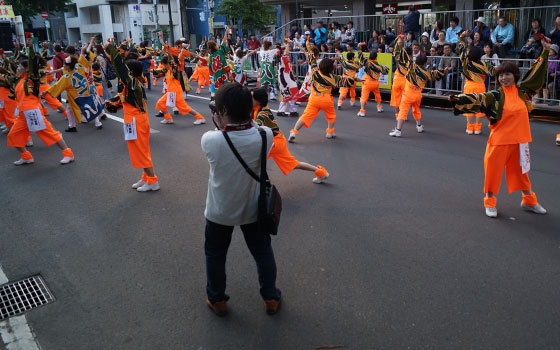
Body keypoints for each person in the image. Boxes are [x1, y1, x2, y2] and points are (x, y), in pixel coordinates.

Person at [201, 82, 282, 317]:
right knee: (262, 253)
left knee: (215, 255)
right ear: (250, 108)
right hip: (254, 208)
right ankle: (270, 298)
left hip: (220, 211)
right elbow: (254, 128)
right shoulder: (264, 135)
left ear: (222, 111)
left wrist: (220, 118)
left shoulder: (211, 140)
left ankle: (217, 300)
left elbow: (223, 132)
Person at [450, 38, 551, 218]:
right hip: (499, 141)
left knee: (522, 173)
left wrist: (544, 52)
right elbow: (477, 99)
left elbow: (536, 75)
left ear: (515, 76)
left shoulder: (524, 92)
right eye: (500, 75)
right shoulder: (494, 95)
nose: (504, 78)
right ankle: (490, 202)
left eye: (507, 74)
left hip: (520, 140)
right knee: (493, 172)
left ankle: (529, 201)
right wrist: (458, 100)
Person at [9, 47, 74, 165]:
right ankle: (26, 156)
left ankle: (68, 154)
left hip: (32, 111)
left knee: (50, 134)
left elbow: (33, 65)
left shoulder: (31, 78)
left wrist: (29, 46)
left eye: (20, 67)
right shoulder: (19, 80)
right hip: (22, 114)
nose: (17, 69)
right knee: (13, 135)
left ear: (27, 68)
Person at [252, 87, 329, 183]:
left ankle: (262, 184)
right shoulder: (260, 109)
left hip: (273, 143)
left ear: (258, 100)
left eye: (251, 98)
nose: (249, 100)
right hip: (277, 141)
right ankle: (320, 172)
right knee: (294, 164)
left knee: (253, 161)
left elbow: (256, 129)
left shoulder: (261, 113)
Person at [288, 39, 356, 142]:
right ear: (331, 68)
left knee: (305, 116)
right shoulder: (333, 78)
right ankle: (329, 132)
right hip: (326, 100)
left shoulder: (315, 72)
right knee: (331, 116)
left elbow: (310, 57)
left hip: (314, 98)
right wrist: (358, 79)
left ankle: (294, 132)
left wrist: (308, 46)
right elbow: (346, 80)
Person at [389, 35, 445, 137]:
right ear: (424, 64)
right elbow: (436, 74)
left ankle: (398, 130)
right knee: (416, 110)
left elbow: (402, 54)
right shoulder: (427, 72)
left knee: (403, 111)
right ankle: (419, 126)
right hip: (418, 94)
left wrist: (400, 43)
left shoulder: (412, 66)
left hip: (408, 93)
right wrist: (444, 70)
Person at [457, 31, 494, 135]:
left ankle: (469, 128)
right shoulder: (484, 64)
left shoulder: (466, 63)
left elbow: (461, 50)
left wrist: (461, 38)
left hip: (469, 86)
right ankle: (477, 128)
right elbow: (493, 72)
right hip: (480, 86)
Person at [153, 52, 206, 125]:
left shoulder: (173, 70)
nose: (163, 66)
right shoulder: (168, 70)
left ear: (168, 63)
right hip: (170, 92)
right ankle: (168, 118)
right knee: (160, 103)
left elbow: (173, 64)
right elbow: (159, 71)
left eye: (164, 64)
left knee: (185, 108)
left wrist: (170, 54)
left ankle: (200, 118)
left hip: (176, 92)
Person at [357, 48, 388, 117]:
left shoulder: (367, 62)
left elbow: (360, 55)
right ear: (376, 57)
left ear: (369, 57)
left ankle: (362, 111)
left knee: (363, 97)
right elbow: (385, 72)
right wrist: (385, 69)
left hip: (367, 83)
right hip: (375, 83)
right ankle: (379, 107)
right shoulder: (379, 66)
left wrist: (359, 48)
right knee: (377, 95)